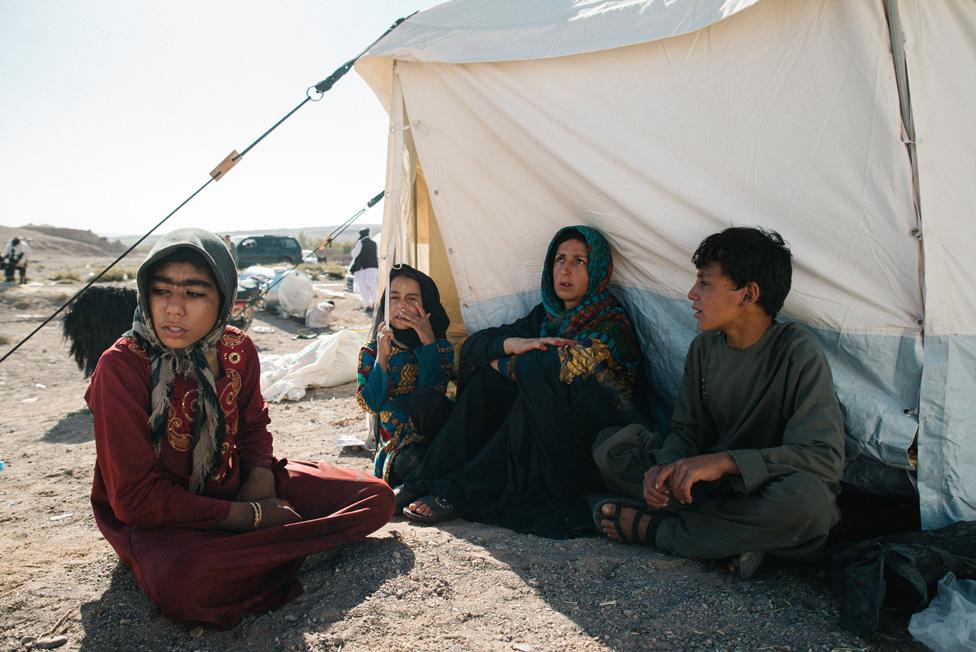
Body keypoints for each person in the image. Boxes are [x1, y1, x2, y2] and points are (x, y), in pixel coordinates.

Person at [85, 228, 394, 628]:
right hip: (162, 517)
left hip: (234, 483)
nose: (173, 309)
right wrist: (251, 517)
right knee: (187, 582)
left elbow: (252, 424)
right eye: (162, 291)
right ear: (146, 294)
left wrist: (260, 474)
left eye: (194, 294)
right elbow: (136, 500)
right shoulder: (123, 367)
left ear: (223, 300)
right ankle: (273, 545)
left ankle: (255, 553)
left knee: (376, 497)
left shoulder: (237, 348)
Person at [592, 227, 845, 578]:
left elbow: (823, 459)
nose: (692, 294)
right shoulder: (705, 348)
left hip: (764, 487)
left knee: (809, 505)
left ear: (749, 294)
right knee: (612, 449)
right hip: (709, 489)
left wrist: (727, 462)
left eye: (705, 284)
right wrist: (663, 470)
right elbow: (687, 430)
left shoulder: (797, 352)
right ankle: (735, 540)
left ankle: (659, 531)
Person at [400, 226, 641, 538]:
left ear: (597, 270)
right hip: (546, 430)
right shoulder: (546, 316)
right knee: (489, 382)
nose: (565, 269)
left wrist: (506, 363)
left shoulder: (610, 323)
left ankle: (458, 492)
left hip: (587, 444)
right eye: (559, 259)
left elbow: (560, 368)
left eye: (579, 261)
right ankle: (425, 480)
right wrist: (513, 344)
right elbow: (476, 347)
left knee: (530, 389)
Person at [356, 264, 454, 486]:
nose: (402, 306)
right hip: (398, 447)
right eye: (394, 297)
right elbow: (372, 404)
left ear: (426, 305)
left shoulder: (442, 348)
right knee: (412, 464)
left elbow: (433, 395)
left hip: (436, 437)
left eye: (412, 299)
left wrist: (428, 343)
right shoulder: (372, 350)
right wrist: (382, 357)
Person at [349, 227, 378, 312]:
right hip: (373, 268)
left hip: (363, 269)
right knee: (373, 287)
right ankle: (372, 304)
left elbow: (354, 254)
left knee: (364, 288)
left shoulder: (361, 242)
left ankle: (367, 305)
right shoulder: (374, 243)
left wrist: (356, 244)